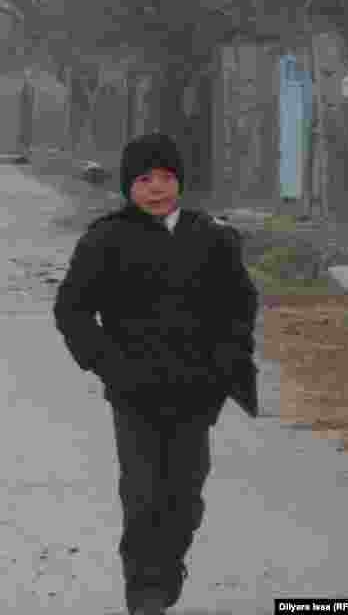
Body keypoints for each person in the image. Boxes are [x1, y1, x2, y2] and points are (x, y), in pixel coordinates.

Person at [53, 132, 259, 615]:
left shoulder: (212, 237)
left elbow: (239, 305)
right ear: (128, 185)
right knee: (143, 494)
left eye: (166, 178)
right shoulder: (105, 239)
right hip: (134, 393)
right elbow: (72, 310)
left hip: (196, 391)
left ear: (180, 183)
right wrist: (107, 364)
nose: (156, 188)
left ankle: (167, 567)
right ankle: (144, 593)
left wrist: (225, 364)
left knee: (185, 498)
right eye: (144, 179)